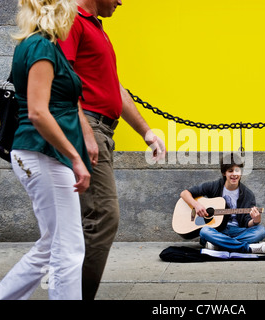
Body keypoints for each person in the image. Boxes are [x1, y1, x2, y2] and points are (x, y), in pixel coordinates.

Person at [58, 0, 166, 300]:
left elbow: (115, 87)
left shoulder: (96, 26)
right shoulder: (73, 21)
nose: (121, 1)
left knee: (89, 223)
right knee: (104, 217)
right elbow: (61, 79)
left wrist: (146, 131)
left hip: (101, 128)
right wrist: (85, 132)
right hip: (89, 127)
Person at [0, 0, 92, 300]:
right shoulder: (42, 46)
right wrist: (76, 158)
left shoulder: (36, 44)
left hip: (39, 153)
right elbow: (37, 112)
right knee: (69, 247)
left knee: (51, 244)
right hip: (43, 153)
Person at [180, 154, 265, 254]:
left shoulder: (247, 194)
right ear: (224, 173)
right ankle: (246, 248)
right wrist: (196, 205)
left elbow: (247, 222)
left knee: (261, 231)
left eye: (237, 170)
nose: (234, 174)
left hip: (237, 231)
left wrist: (255, 220)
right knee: (204, 231)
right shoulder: (214, 186)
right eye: (230, 171)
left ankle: (218, 245)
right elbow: (184, 193)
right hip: (217, 230)